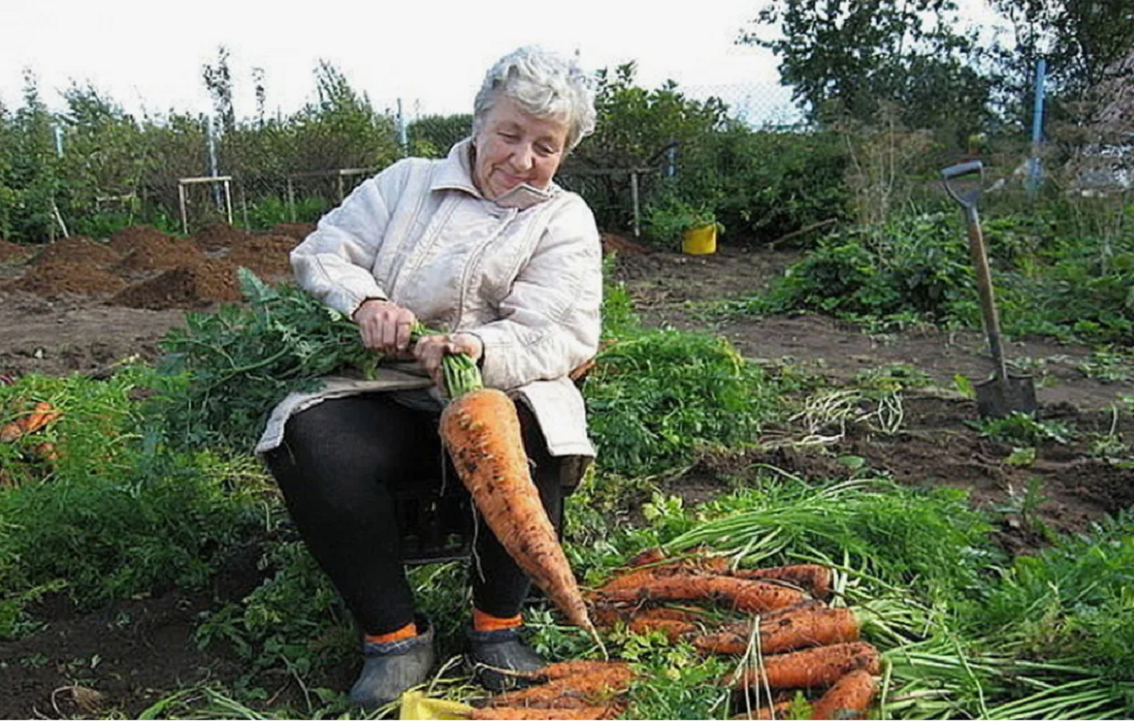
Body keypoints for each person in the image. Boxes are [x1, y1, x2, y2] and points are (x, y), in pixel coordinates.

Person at [254, 46, 602, 709]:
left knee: (533, 438)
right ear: (479, 122)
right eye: (510, 134)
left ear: (564, 153)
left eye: (546, 146)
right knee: (309, 437)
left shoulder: (563, 219)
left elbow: (560, 333)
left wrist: (476, 345)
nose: (523, 159)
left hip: (497, 390)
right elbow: (325, 251)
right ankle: (394, 636)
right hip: (383, 388)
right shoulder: (406, 183)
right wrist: (366, 302)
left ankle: (499, 627)